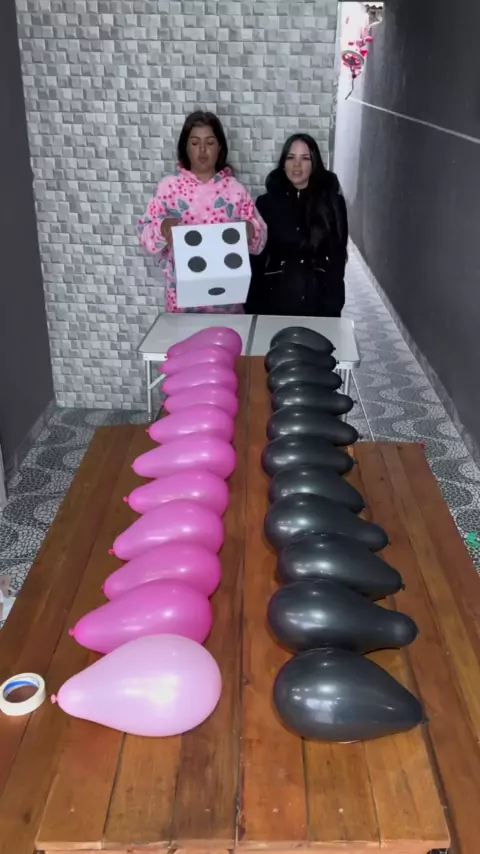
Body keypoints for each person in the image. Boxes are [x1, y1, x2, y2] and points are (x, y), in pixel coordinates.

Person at [138, 111, 267, 313]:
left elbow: (260, 240)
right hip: (181, 305)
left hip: (227, 305)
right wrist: (162, 227)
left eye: (210, 142)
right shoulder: (168, 188)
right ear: (186, 147)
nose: (203, 150)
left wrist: (250, 230)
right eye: (195, 143)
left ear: (220, 147)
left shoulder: (235, 190)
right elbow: (144, 234)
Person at [246, 134, 348, 317]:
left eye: (305, 158)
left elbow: (338, 257)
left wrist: (334, 303)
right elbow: (257, 260)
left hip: (318, 302)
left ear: (314, 163)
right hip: (275, 301)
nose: (297, 165)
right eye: (291, 157)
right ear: (283, 163)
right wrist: (253, 306)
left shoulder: (332, 202)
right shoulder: (266, 203)